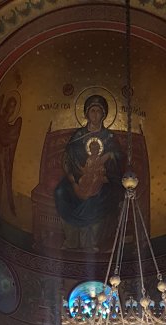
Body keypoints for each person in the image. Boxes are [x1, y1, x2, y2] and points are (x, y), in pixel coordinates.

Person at [54, 94, 123, 250]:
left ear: (104, 114)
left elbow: (118, 159)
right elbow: (67, 159)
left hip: (103, 179)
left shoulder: (109, 137)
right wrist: (74, 182)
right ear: (86, 113)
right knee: (60, 192)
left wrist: (109, 155)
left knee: (94, 198)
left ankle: (89, 243)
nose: (95, 115)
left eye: (99, 111)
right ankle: (71, 239)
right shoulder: (79, 136)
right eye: (92, 111)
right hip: (77, 177)